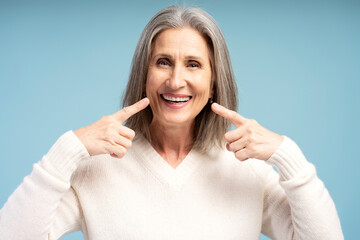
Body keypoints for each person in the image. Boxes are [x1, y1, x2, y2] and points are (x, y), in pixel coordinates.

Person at [0, 5, 343, 240]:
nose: (176, 80)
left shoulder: (247, 172)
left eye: (193, 64)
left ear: (213, 83)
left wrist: (289, 157)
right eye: (163, 62)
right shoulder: (97, 169)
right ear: (144, 74)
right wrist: (68, 149)